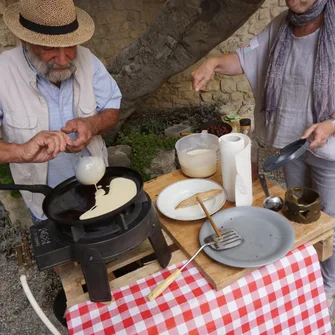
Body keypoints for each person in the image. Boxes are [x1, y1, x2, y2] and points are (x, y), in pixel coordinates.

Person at [192, 0, 335, 310]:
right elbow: (245, 59)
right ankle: (304, 277)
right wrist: (214, 63)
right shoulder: (282, 24)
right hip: (293, 144)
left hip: (330, 149)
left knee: (329, 221)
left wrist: (331, 125)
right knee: (299, 217)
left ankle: (327, 284)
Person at [0, 0, 122, 223]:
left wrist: (92, 124)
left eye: (70, 46)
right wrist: (21, 151)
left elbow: (112, 109)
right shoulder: (3, 74)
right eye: (49, 48)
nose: (63, 59)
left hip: (97, 190)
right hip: (45, 202)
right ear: (24, 40)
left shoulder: (89, 61)